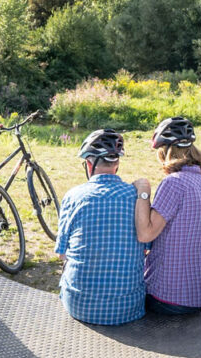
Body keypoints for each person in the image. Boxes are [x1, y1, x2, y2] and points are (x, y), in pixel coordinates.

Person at [133, 116, 201, 315]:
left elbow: (146, 234)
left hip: (174, 298)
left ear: (164, 152)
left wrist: (143, 193)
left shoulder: (173, 183)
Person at [55, 128, 145, 325]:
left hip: (78, 305)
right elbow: (147, 247)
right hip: (128, 308)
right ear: (117, 163)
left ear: (89, 163)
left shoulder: (73, 196)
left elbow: (62, 253)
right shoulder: (135, 196)